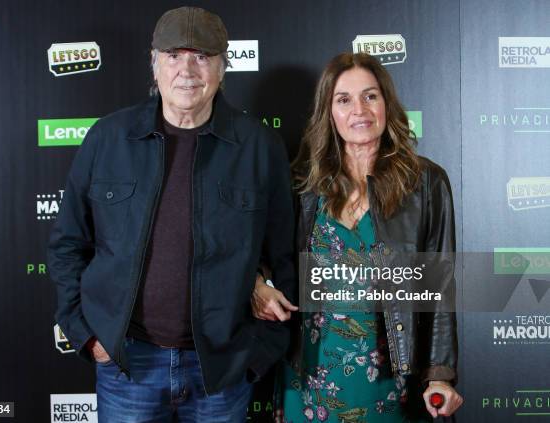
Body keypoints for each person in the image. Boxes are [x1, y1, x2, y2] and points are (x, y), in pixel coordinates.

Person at [47, 6, 296, 422]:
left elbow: (283, 255)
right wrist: (86, 334)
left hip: (222, 370)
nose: (187, 69)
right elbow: (68, 245)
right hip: (129, 365)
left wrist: (257, 353)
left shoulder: (260, 148)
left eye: (202, 56)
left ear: (222, 67)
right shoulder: (107, 139)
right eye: (174, 55)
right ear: (154, 63)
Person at [252, 52, 463, 422]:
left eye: (370, 96)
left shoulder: (426, 184)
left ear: (387, 104)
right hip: (309, 374)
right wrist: (257, 284)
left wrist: (441, 375)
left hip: (387, 377)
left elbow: (440, 288)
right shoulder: (300, 183)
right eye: (344, 99)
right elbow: (259, 253)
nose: (359, 110)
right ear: (328, 112)